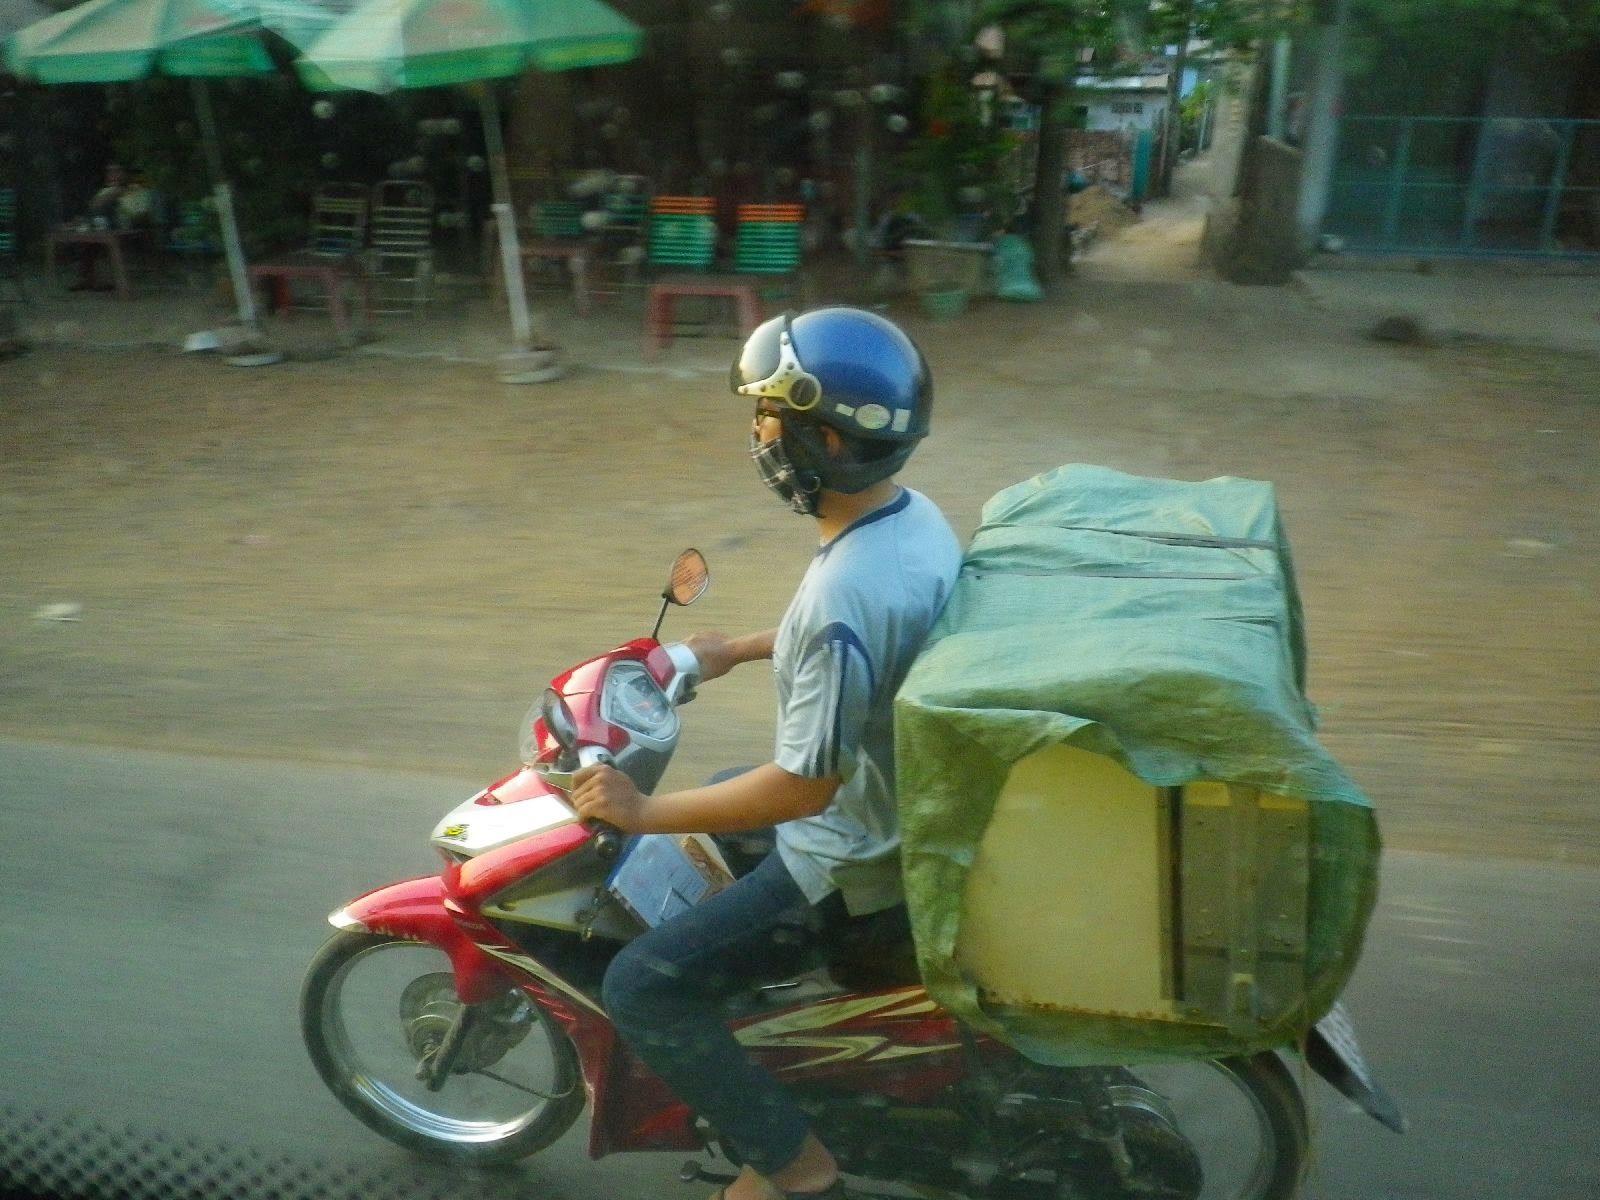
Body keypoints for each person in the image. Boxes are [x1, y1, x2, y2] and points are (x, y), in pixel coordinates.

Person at [571, 307, 962, 1200]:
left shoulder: (841, 597)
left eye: (768, 419)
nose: (759, 437)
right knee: (716, 793)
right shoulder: (907, 521)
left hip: (857, 862)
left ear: (824, 438)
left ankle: (797, 1167)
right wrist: (743, 647)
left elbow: (800, 789)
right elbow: (864, 637)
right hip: (899, 805)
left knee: (643, 987)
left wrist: (638, 810)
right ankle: (787, 1041)